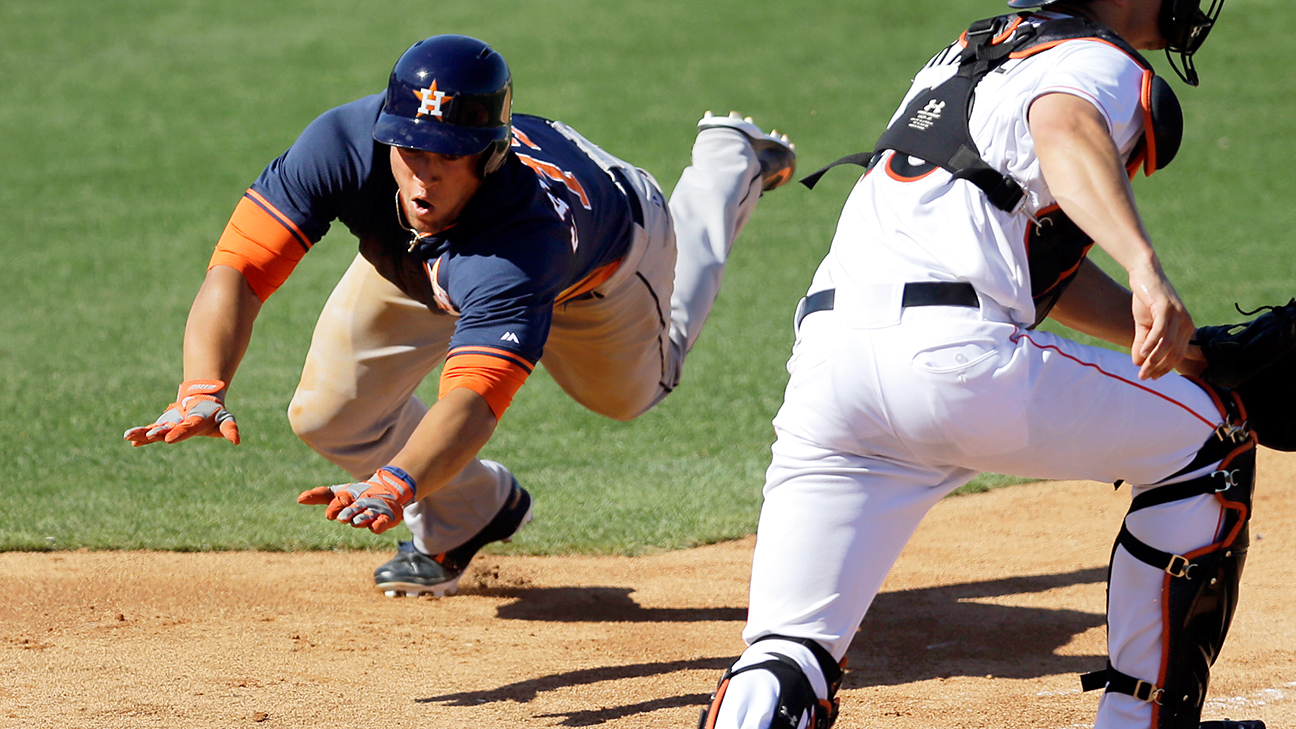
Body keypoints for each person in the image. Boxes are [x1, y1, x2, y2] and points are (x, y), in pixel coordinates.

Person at [696, 2, 1269, 729]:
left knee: (786, 648)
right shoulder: (1097, 60)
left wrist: (1195, 351)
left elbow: (1036, 275)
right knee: (1211, 442)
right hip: (954, 363)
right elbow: (1063, 127)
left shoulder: (975, 56)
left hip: (829, 368)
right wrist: (1144, 264)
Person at [123, 34, 796, 598]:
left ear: (489, 155)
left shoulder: (517, 249)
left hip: (610, 262)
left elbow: (472, 401)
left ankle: (728, 161)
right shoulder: (343, 145)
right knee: (329, 415)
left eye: (446, 158)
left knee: (635, 393)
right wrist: (202, 388)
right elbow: (240, 268)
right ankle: (471, 514)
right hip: (427, 266)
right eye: (410, 150)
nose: (422, 178)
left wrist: (396, 483)